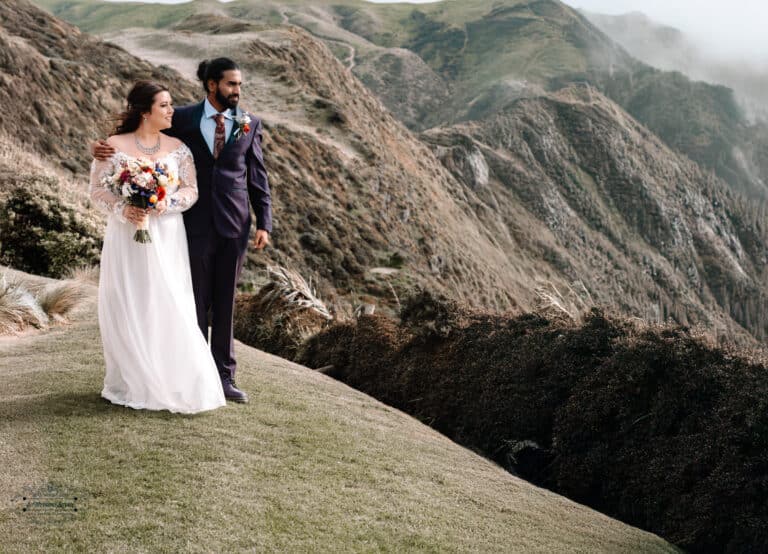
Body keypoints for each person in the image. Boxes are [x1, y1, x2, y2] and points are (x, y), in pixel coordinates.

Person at [94, 58, 272, 403]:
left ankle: (224, 376)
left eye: (239, 85)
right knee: (191, 300)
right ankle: (191, 370)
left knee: (225, 303)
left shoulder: (250, 123)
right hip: (190, 227)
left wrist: (264, 221)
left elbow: (258, 175)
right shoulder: (183, 119)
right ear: (212, 85)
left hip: (234, 225)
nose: (238, 91)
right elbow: (141, 146)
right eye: (232, 84)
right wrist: (98, 149)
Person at [89, 80, 226, 414]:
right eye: (164, 105)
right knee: (130, 301)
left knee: (168, 300)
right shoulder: (112, 146)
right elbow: (97, 192)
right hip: (126, 236)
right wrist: (125, 209)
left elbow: (191, 190)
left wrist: (167, 203)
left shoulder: (178, 147)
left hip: (166, 234)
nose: (171, 110)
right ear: (144, 111)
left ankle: (173, 376)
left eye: (171, 104)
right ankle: (133, 378)